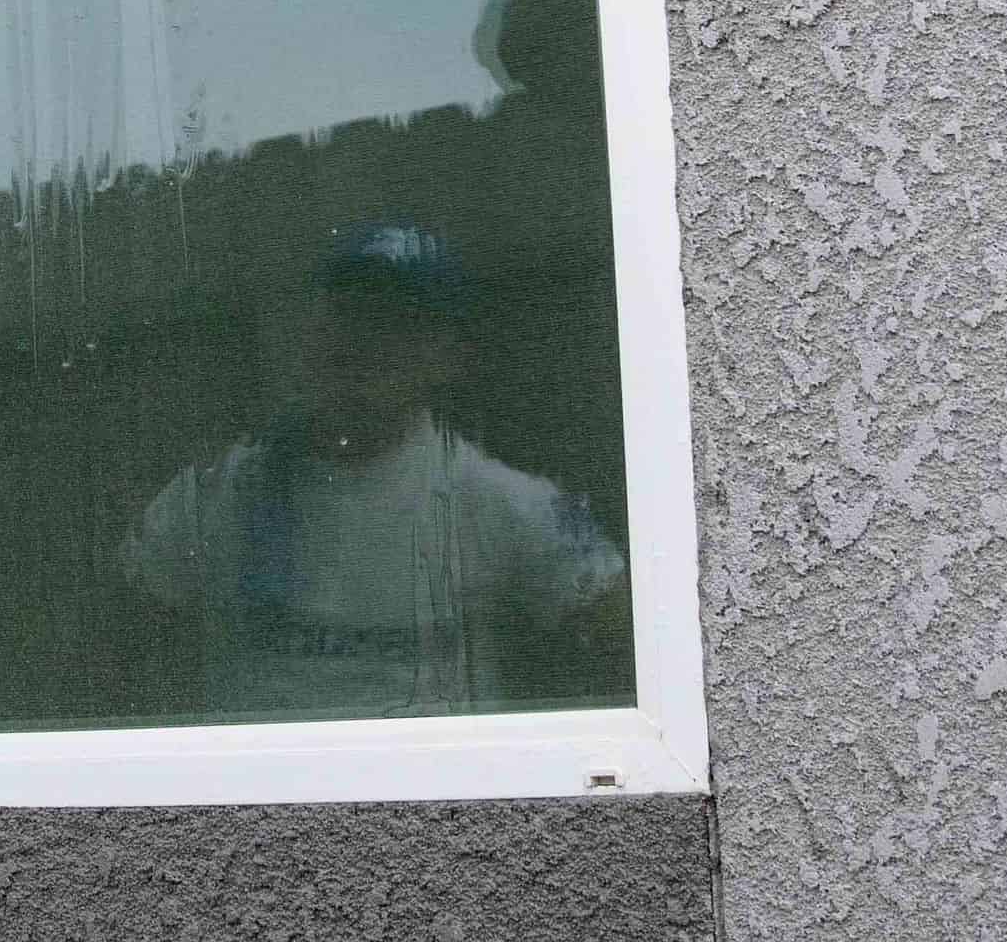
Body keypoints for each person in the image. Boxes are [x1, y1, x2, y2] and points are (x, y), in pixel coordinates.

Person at [119, 220, 627, 718]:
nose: (364, 342)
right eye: (347, 316)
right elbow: (122, 646)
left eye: (397, 325)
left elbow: (626, 649)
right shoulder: (219, 492)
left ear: (449, 356)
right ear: (311, 336)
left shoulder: (502, 502)